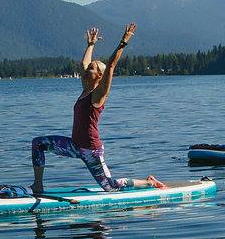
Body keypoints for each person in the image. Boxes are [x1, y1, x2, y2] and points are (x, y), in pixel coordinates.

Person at [31, 24, 165, 193]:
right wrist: (91, 45)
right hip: (74, 146)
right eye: (89, 67)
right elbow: (83, 63)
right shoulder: (85, 89)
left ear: (100, 76)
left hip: (91, 151)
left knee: (110, 186)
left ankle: (148, 182)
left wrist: (123, 42)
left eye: (92, 68)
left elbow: (111, 66)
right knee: (38, 143)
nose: (88, 68)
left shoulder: (98, 95)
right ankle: (38, 185)